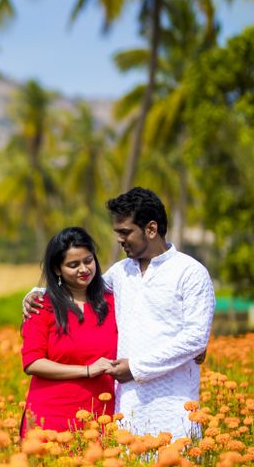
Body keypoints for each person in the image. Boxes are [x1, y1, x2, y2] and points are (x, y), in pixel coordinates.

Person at [24, 188, 215, 441]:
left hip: (173, 402)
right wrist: (37, 292)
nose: (119, 239)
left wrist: (135, 368)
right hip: (127, 404)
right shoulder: (122, 271)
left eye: (125, 232)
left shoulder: (190, 273)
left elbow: (195, 338)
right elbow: (81, 285)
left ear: (150, 229)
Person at [20, 227, 116, 439]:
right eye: (73, 265)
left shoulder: (113, 303)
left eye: (88, 260)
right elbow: (32, 362)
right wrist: (87, 370)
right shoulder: (41, 306)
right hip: (51, 417)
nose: (84, 269)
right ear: (57, 269)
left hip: (101, 416)